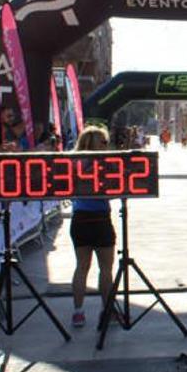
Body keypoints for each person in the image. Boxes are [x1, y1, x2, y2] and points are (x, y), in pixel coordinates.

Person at [69, 126, 116, 328]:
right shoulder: (104, 165)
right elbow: (111, 191)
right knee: (105, 269)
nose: (107, 146)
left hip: (79, 218)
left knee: (81, 267)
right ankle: (107, 312)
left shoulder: (72, 163)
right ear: (95, 144)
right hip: (100, 219)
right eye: (103, 142)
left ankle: (78, 312)